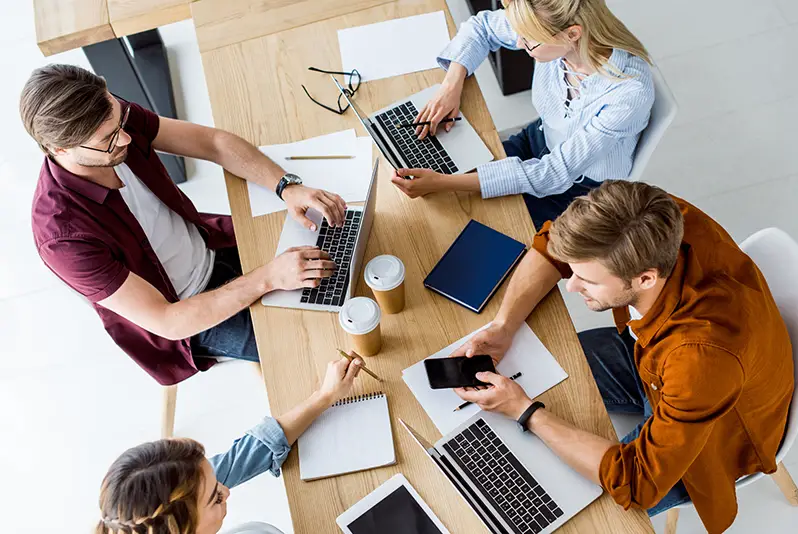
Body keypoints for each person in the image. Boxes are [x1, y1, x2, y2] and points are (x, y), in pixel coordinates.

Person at [450, 180, 794, 533]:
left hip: (715, 434)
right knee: (539, 371)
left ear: (645, 279)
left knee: (549, 498)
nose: (569, 284)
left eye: (587, 280)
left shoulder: (698, 360)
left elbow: (636, 483)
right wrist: (504, 326)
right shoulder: (651, 216)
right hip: (652, 360)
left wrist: (526, 412)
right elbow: (553, 245)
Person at [22, 64, 347, 385]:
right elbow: (167, 320)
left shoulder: (107, 116)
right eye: (107, 140)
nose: (124, 138)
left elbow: (213, 143)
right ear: (59, 149)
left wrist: (286, 186)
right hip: (190, 313)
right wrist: (268, 278)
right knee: (318, 344)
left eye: (118, 118)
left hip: (212, 242)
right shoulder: (63, 238)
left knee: (340, 259)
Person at [390, 0, 654, 230]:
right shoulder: (549, 23)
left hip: (579, 190)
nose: (518, 43)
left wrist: (445, 183)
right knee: (445, 184)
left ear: (572, 34)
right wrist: (451, 85)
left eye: (529, 41)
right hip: (538, 140)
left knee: (463, 219)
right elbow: (481, 27)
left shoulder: (628, 95)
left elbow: (553, 173)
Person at [96, 355, 363, 534]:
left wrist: (325, 396)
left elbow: (253, 450)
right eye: (216, 497)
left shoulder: (173, 495)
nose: (227, 490)